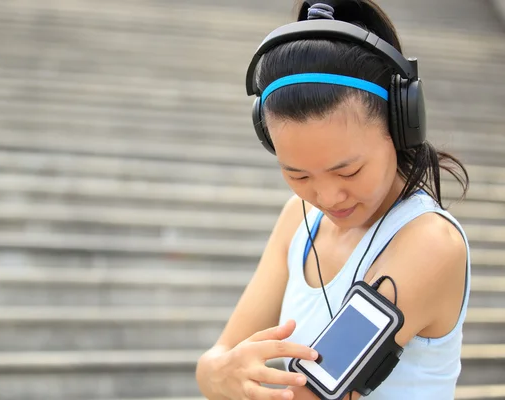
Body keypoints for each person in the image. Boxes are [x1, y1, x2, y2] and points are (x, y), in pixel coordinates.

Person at [195, 1, 471, 399]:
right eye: (298, 174)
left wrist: (220, 376)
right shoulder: (299, 219)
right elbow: (218, 359)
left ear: (400, 126)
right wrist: (215, 371)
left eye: (348, 172)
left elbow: (314, 394)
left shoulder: (428, 243)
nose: (325, 197)